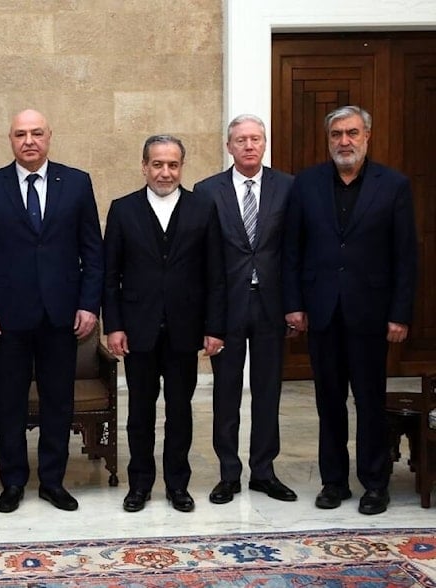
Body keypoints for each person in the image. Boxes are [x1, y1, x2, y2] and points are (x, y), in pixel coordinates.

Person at [283, 105, 417, 515]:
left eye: (352, 133)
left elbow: (405, 255)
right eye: (337, 134)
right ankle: (333, 482)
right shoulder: (305, 184)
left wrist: (400, 313)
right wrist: (294, 305)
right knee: (328, 402)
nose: (344, 141)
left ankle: (375, 484)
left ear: (367, 137)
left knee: (370, 400)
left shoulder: (392, 185)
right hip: (322, 312)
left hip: (372, 314)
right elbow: (292, 250)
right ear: (328, 140)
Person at [0, 109, 104, 514]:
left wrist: (88, 304)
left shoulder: (77, 183)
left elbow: (92, 252)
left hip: (62, 317)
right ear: (9, 140)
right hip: (6, 320)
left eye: (37, 133)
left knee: (56, 402)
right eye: (20, 134)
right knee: (8, 402)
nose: (29, 140)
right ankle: (13, 481)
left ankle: (52, 481)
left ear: (49, 137)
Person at [103, 135, 226, 514]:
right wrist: (114, 326)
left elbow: (216, 275)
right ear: (144, 166)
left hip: (185, 330)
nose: (165, 172)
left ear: (181, 168)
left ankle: (178, 485)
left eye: (173, 165)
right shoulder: (122, 210)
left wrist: (214, 327)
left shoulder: (203, 208)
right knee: (139, 412)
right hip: (137, 328)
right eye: (158, 164)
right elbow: (110, 276)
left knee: (180, 411)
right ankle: (139, 484)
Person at [193, 115, 297, 505]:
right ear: (229, 146)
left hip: (272, 306)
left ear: (264, 144)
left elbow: (294, 250)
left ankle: (264, 471)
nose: (249, 145)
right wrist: (207, 318)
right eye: (241, 140)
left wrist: (295, 306)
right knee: (226, 392)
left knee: (268, 391)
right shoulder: (207, 191)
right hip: (226, 307)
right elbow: (201, 259)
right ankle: (228, 473)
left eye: (255, 139)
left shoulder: (288, 187)